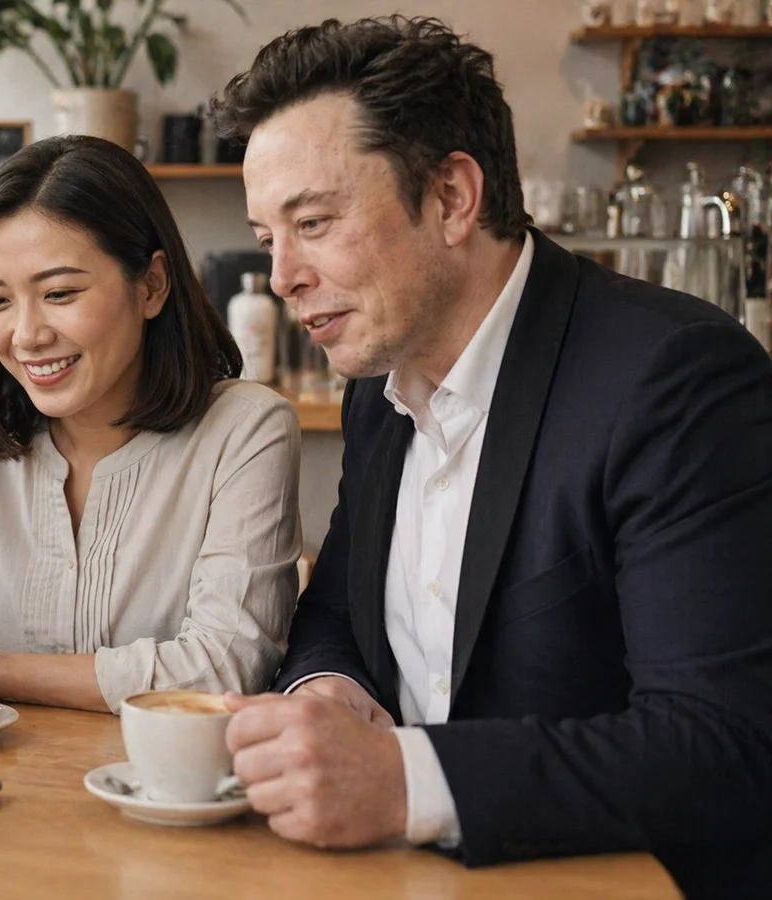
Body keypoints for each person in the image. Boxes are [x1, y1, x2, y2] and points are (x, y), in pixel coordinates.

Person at [209, 15, 772, 891]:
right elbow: (339, 615)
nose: (282, 276)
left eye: (312, 222)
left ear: (452, 199)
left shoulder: (674, 379)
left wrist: (403, 782)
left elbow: (723, 745)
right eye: (267, 237)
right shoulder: (378, 389)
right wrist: (325, 691)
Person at [0, 135, 302, 714]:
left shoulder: (246, 430)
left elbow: (222, 669)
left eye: (59, 293)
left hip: (161, 790)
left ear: (151, 285)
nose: (27, 335)